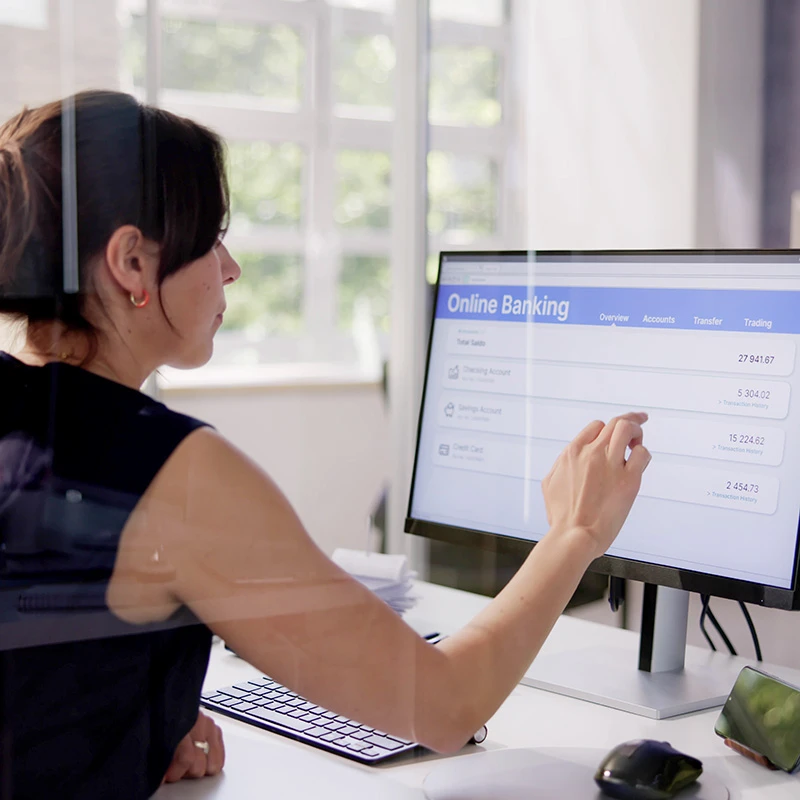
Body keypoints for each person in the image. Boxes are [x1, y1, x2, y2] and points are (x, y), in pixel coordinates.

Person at [0, 90, 651, 799]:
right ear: (131, 262)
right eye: (210, 238)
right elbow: (443, 705)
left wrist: (124, 724)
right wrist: (577, 531)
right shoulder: (169, 474)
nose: (230, 267)